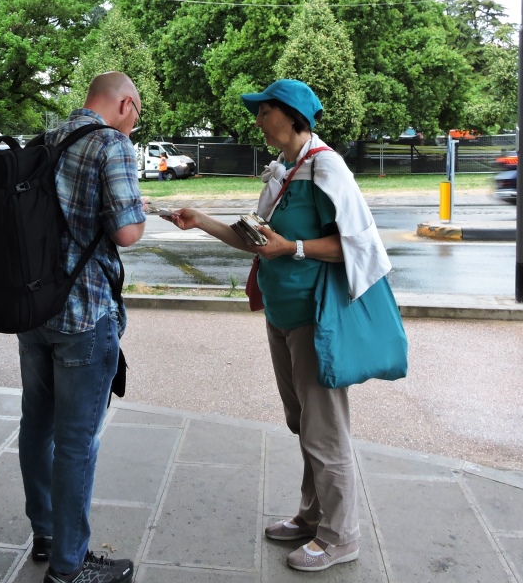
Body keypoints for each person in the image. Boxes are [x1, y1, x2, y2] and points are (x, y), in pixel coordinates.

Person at [163, 79, 390, 573]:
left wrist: (294, 249)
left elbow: (360, 246)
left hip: (315, 316)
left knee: (325, 430)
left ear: (290, 116)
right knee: (303, 423)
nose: (257, 119)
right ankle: (313, 516)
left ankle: (340, 536)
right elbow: (256, 242)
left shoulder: (326, 166)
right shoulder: (285, 170)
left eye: (264, 111)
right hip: (281, 314)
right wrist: (200, 219)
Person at [18, 71, 147, 583]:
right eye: (138, 116)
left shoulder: (43, 139)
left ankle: (47, 533)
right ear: (127, 105)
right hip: (84, 314)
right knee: (76, 442)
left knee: (38, 424)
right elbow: (128, 232)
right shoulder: (109, 143)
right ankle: (70, 568)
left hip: (33, 312)